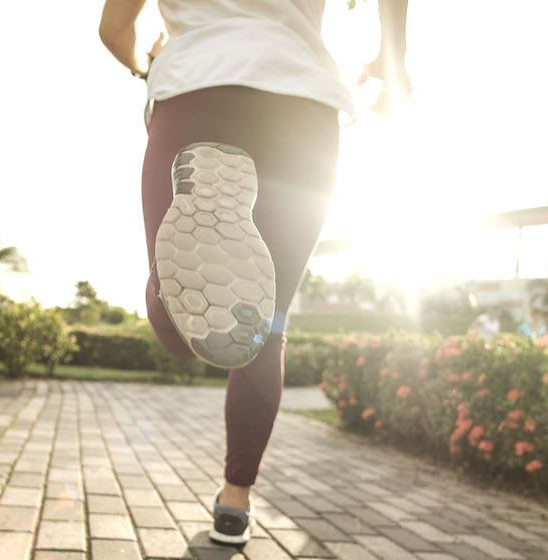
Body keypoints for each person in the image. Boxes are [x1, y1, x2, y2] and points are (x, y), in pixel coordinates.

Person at [100, 0, 410, 545]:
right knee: (266, 325)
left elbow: (113, 27)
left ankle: (171, 291)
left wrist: (143, 64)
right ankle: (235, 500)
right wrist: (393, 57)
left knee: (179, 319)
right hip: (304, 105)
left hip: (199, 87)